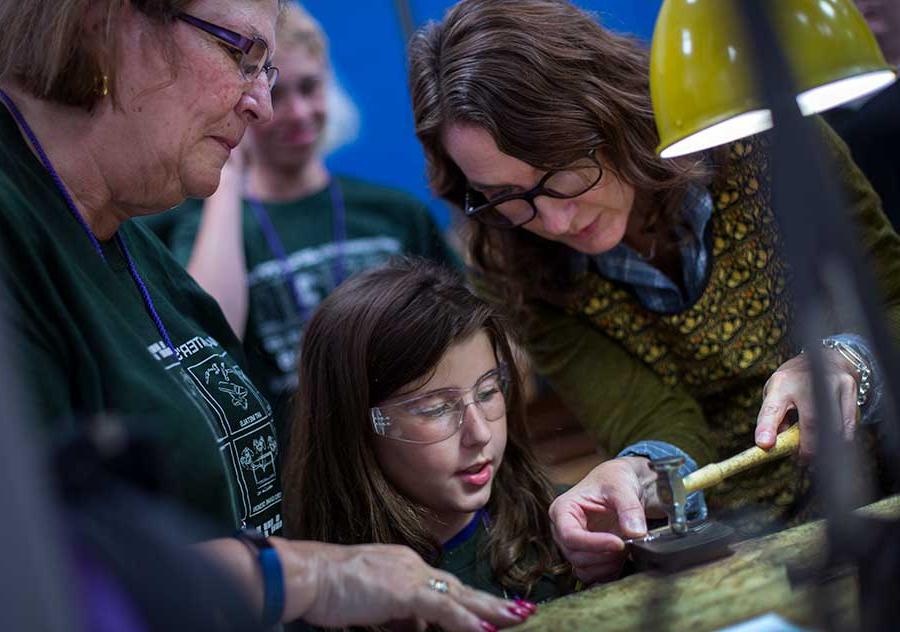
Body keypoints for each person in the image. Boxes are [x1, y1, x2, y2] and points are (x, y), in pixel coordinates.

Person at [0, 1, 524, 629]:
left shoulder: (123, 231)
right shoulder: (20, 233)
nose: (263, 106)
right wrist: (314, 575)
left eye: (269, 72)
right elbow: (45, 571)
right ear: (104, 24)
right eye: (241, 54)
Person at [407, 0, 900, 583]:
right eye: (506, 197)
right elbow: (650, 416)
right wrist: (638, 473)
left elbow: (889, 295)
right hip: (740, 552)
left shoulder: (750, 131)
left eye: (560, 173)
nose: (555, 223)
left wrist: (847, 361)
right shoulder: (512, 258)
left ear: (611, 112)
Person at [153, 3, 459, 437]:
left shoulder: (395, 212)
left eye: (310, 88)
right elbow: (211, 336)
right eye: (278, 93)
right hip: (290, 475)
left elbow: (464, 340)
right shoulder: (205, 230)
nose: (296, 113)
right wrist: (229, 177)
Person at [282, 258, 576, 617]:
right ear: (355, 427)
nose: (480, 433)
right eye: (436, 409)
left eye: (487, 392)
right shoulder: (314, 600)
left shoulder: (566, 527)